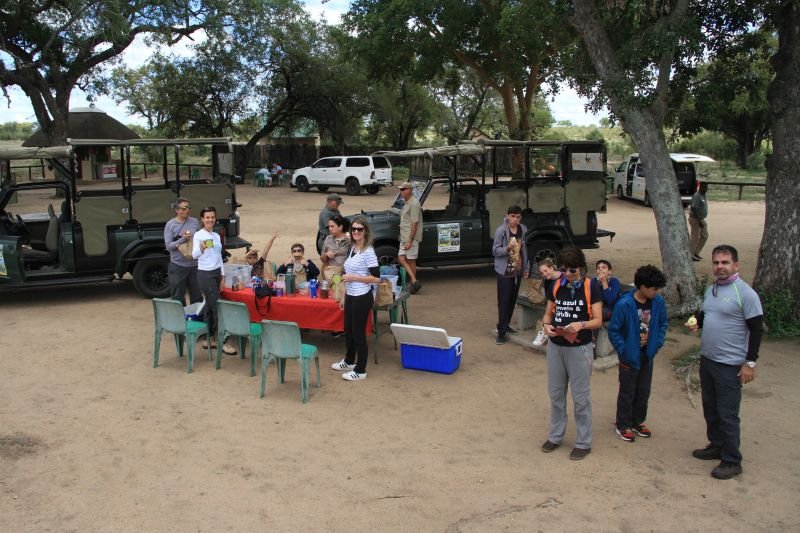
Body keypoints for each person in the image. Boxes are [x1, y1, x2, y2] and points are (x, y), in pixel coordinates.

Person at [686, 244, 764, 480]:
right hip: (708, 360)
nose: (720, 267)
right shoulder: (712, 290)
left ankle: (732, 460)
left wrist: (749, 363)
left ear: (735, 265)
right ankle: (716, 445)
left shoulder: (746, 294)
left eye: (725, 263)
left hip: (730, 365)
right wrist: (696, 322)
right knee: (710, 408)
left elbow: (757, 329)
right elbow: (706, 313)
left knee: (728, 413)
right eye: (716, 263)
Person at [540, 246, 602, 461]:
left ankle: (583, 442)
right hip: (556, 346)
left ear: (582, 268)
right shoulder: (557, 285)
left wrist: (581, 324)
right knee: (556, 394)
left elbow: (598, 319)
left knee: (581, 397)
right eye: (564, 269)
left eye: (572, 270)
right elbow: (548, 313)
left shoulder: (590, 286)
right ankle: (556, 436)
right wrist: (546, 326)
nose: (568, 274)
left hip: (579, 348)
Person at [608, 265, 668, 443]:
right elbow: (614, 330)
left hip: (647, 354)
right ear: (642, 287)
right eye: (654, 289)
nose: (656, 292)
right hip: (629, 355)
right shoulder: (625, 304)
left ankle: (637, 421)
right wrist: (624, 350)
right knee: (627, 391)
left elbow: (663, 323)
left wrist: (656, 344)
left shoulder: (657, 302)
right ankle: (623, 424)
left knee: (643, 390)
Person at [330, 215, 380, 381]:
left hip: (362, 296)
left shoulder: (369, 252)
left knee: (358, 334)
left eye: (360, 229)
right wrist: (344, 296)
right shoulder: (353, 248)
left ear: (365, 231)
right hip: (351, 295)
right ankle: (350, 360)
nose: (356, 232)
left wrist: (354, 278)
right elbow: (347, 275)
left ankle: (360, 370)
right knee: (348, 331)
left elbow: (377, 278)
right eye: (354, 229)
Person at [192, 207, 236, 355]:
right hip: (205, 274)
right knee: (217, 305)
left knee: (210, 305)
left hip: (217, 273)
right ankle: (224, 340)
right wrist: (202, 249)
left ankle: (209, 337)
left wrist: (222, 277)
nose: (210, 220)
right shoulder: (199, 235)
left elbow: (219, 257)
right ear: (202, 219)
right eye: (207, 217)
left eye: (212, 217)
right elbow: (194, 255)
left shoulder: (216, 236)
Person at [492, 205, 530, 345]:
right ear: (507, 216)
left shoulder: (523, 229)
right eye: (513, 216)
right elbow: (495, 251)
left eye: (518, 217)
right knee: (504, 300)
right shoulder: (501, 231)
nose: (515, 219)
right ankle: (501, 332)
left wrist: (526, 267)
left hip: (517, 269)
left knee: (513, 299)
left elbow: (524, 248)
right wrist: (507, 249)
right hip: (504, 270)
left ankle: (506, 325)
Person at [164, 197, 202, 305]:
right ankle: (180, 320)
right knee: (178, 298)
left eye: (189, 207)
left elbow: (201, 238)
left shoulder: (194, 222)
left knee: (197, 297)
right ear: (177, 210)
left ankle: (197, 320)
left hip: (195, 266)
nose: (187, 210)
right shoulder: (170, 225)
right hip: (178, 267)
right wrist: (183, 239)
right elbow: (169, 246)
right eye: (184, 208)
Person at [397, 181, 423, 294]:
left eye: (403, 190)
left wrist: (411, 239)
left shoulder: (414, 203)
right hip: (404, 236)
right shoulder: (407, 202)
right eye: (400, 189)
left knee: (410, 259)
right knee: (401, 258)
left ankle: (414, 283)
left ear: (409, 190)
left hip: (410, 237)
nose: (401, 192)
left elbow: (415, 222)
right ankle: (414, 280)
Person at [532, 258, 562, 348]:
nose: (544, 274)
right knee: (550, 312)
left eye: (546, 270)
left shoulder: (564, 277)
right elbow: (550, 297)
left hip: (565, 304)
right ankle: (545, 332)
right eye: (542, 273)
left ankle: (545, 333)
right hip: (553, 304)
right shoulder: (547, 282)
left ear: (552, 268)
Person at [689, 182, 709, 261]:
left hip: (701, 219)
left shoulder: (703, 195)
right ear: (700, 187)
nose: (705, 189)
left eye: (706, 187)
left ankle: (696, 252)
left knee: (705, 235)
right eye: (703, 187)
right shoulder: (696, 196)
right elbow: (694, 208)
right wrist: (699, 220)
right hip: (695, 219)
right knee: (695, 237)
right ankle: (690, 254)